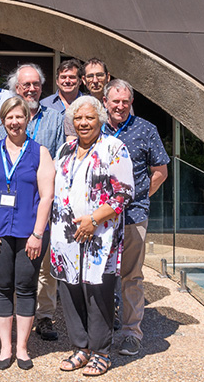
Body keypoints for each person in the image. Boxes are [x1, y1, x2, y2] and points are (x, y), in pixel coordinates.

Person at [52, 96, 134, 377]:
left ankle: (101, 352)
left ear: (100, 119)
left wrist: (94, 219)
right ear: (72, 122)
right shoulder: (65, 149)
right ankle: (80, 348)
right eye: (78, 118)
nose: (83, 123)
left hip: (101, 236)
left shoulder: (113, 147)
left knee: (97, 292)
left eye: (89, 118)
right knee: (71, 289)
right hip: (67, 237)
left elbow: (124, 193)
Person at [0, 97, 55, 370]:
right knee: (2, 288)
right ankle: (5, 348)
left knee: (25, 288)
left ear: (28, 119)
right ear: (3, 121)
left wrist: (37, 234)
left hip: (30, 232)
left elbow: (47, 196)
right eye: (9, 118)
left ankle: (22, 348)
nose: (14, 122)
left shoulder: (41, 152)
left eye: (19, 117)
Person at [0, 63, 65, 341]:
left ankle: (45, 317)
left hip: (36, 213)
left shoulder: (55, 118)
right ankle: (6, 334)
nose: (32, 88)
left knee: (41, 274)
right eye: (26, 84)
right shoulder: (4, 125)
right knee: (6, 282)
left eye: (36, 84)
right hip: (4, 218)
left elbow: (62, 157)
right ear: (16, 88)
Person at [102, 79, 169, 357]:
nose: (120, 106)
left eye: (125, 101)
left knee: (131, 277)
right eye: (115, 101)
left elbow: (160, 172)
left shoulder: (146, 129)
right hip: (100, 220)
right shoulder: (94, 128)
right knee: (100, 277)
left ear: (131, 103)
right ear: (105, 102)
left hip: (133, 216)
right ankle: (102, 330)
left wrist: (139, 198)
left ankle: (131, 333)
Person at [41, 58, 83, 138]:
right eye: (63, 77)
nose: (67, 81)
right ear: (57, 81)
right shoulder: (44, 105)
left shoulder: (89, 103)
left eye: (72, 77)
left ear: (80, 81)